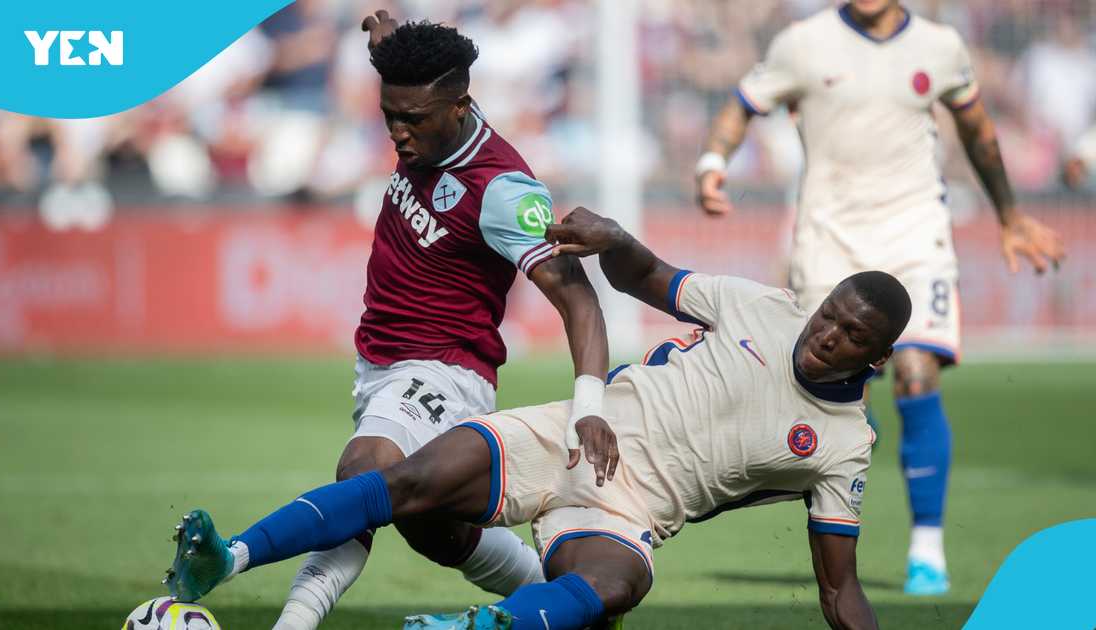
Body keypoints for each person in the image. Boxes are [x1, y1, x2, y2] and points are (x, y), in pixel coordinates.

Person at [163, 207, 908, 630]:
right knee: (409, 480)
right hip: (568, 436)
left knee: (618, 588)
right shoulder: (762, 307)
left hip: (634, 508)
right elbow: (645, 277)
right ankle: (225, 558)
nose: (826, 333)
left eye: (850, 336)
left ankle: (483, 627)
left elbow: (839, 590)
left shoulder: (843, 448)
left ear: (874, 361)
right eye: (829, 314)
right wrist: (614, 239)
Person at [216, 13, 613, 630]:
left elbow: (579, 301)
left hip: (445, 367)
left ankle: (289, 619)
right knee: (434, 532)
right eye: (389, 116)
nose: (399, 135)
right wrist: (389, 46)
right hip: (379, 357)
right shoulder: (421, 102)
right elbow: (400, 69)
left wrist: (590, 402)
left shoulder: (504, 190)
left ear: (460, 105)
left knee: (362, 472)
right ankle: (567, 603)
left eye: (414, 120)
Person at [694, 0, 1067, 595]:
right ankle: (829, 540)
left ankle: (926, 549)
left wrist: (1011, 215)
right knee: (828, 400)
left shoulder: (939, 47)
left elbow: (977, 129)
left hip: (915, 237)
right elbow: (743, 104)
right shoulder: (803, 43)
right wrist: (714, 161)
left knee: (916, 374)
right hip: (828, 241)